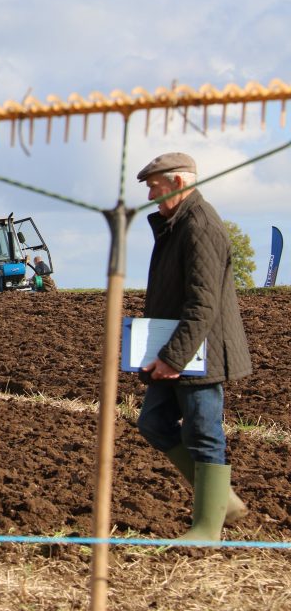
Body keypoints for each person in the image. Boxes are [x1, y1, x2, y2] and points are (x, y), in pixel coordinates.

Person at [135, 152, 252, 542]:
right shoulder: (174, 226)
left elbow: (203, 303)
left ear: (179, 183)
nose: (151, 194)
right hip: (175, 350)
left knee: (203, 432)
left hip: (201, 352)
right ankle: (224, 502)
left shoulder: (200, 225)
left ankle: (207, 526)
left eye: (154, 185)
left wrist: (173, 357)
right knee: (152, 422)